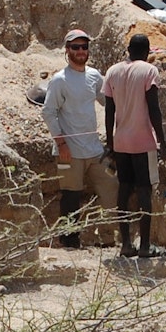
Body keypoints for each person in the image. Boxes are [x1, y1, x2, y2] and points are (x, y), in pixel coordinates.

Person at [41, 29, 119, 249]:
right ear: (67, 50)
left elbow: (109, 102)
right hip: (69, 151)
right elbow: (49, 112)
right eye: (75, 47)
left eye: (84, 47)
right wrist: (61, 143)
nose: (81, 51)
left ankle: (107, 238)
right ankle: (69, 241)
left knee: (110, 188)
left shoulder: (94, 76)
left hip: (94, 148)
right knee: (71, 197)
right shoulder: (59, 80)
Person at [104, 34, 166, 258]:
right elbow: (154, 109)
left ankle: (125, 244)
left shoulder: (112, 72)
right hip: (143, 142)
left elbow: (109, 111)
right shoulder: (149, 71)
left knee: (124, 189)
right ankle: (144, 246)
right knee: (144, 191)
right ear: (147, 51)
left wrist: (110, 141)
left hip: (121, 141)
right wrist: (162, 141)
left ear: (128, 49)